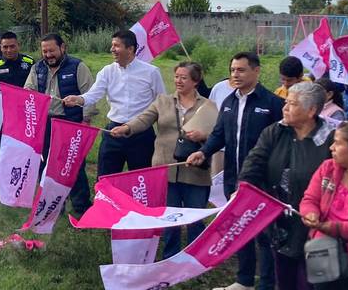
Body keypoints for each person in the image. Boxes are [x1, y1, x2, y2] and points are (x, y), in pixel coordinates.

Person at [187, 52, 284, 290]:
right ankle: (244, 280)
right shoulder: (229, 101)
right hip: (233, 177)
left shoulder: (271, 103)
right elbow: (219, 133)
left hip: (263, 182)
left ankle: (268, 283)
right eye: (232, 70)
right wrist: (204, 152)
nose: (235, 75)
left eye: (241, 70)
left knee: (263, 233)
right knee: (238, 228)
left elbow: (282, 142)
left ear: (256, 71)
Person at [109, 62, 217, 258]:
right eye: (176, 76)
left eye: (184, 77)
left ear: (196, 81)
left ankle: (196, 258)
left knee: (195, 218)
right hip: (164, 169)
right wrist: (126, 128)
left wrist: (203, 136)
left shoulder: (208, 106)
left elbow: (219, 136)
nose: (178, 81)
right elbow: (143, 119)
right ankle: (171, 257)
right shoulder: (162, 101)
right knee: (168, 217)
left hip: (195, 171)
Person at [239, 82, 335, 290]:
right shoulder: (275, 131)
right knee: (284, 278)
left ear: (311, 111)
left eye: (292, 104)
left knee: (315, 281)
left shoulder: (330, 138)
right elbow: (253, 164)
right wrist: (243, 190)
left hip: (316, 224)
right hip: (278, 219)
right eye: (286, 103)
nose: (285, 108)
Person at [63, 30, 165, 176]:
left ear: (130, 49)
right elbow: (93, 94)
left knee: (141, 181)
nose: (112, 49)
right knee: (106, 178)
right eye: (112, 45)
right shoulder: (107, 71)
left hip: (141, 134)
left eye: (116, 46)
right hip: (114, 132)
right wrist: (79, 99)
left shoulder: (151, 72)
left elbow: (162, 102)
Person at [24, 33, 95, 215]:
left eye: (52, 50)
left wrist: (85, 121)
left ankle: (81, 206)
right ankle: (53, 205)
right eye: (45, 51)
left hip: (70, 123)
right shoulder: (37, 68)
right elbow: (28, 91)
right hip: (45, 123)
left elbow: (90, 95)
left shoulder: (78, 67)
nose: (48, 55)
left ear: (63, 47)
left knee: (74, 165)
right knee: (47, 164)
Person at [300, 121, 348, 289]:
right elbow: (309, 199)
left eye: (338, 143)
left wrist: (337, 228)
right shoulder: (327, 168)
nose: (331, 147)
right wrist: (310, 213)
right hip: (323, 255)